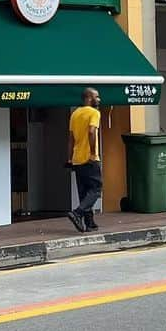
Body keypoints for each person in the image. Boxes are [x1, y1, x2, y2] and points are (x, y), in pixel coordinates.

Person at [67, 87, 102, 232]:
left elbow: (71, 139)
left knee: (84, 192)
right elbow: (91, 131)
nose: (99, 99)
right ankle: (77, 213)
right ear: (88, 98)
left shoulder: (75, 114)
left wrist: (69, 158)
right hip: (89, 158)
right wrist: (93, 153)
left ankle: (89, 223)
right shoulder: (94, 113)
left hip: (77, 159)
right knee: (96, 189)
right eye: (96, 97)